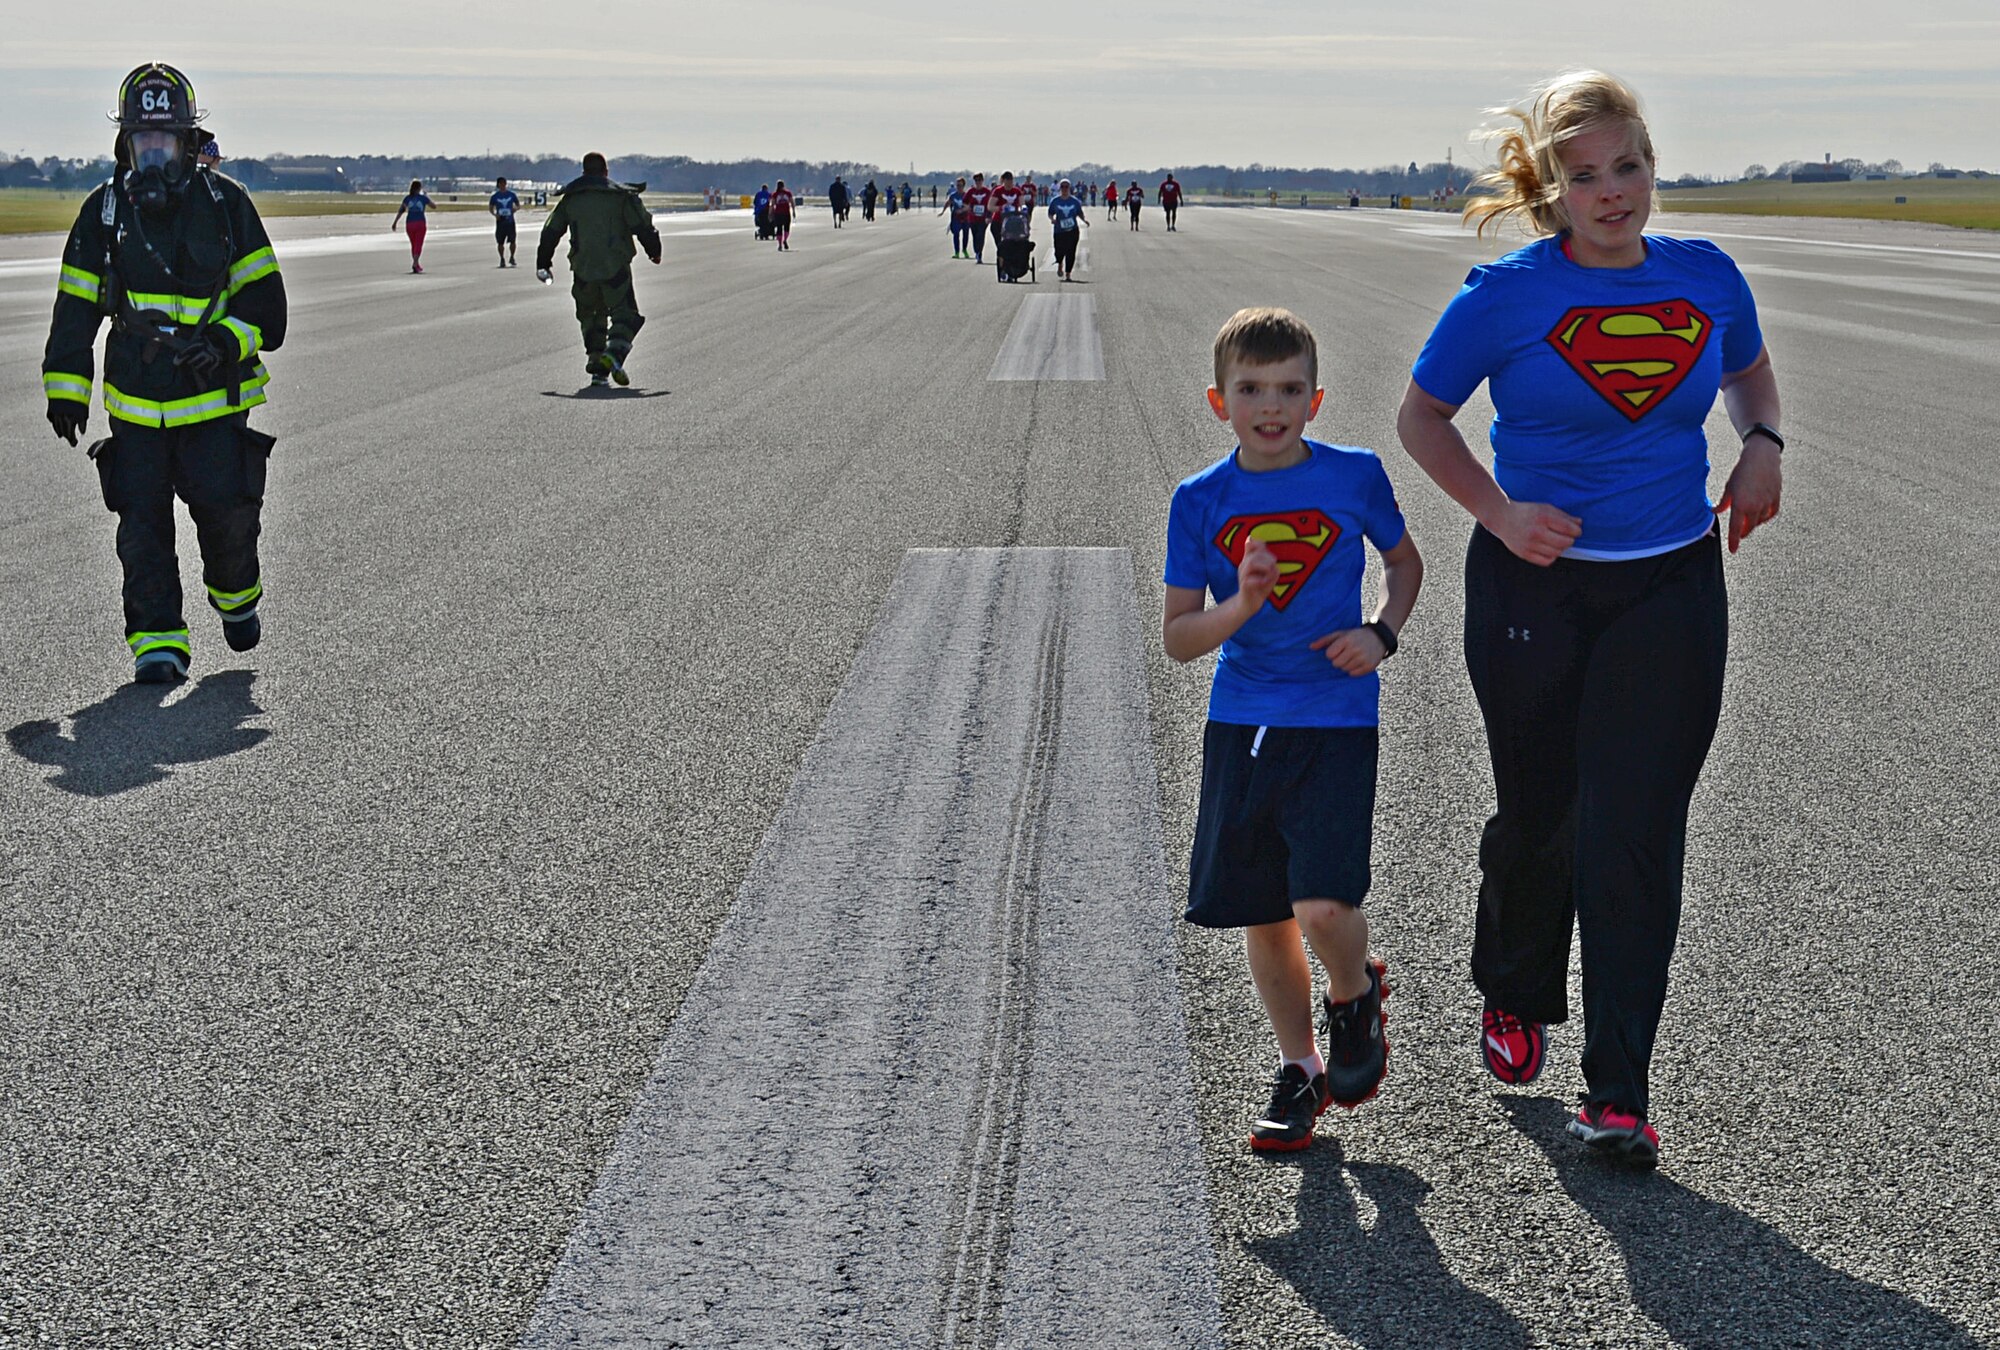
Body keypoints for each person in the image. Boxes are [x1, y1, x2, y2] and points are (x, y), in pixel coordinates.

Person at [1396, 71, 1783, 1167]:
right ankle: (1514, 987)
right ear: (1551, 190)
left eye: (1628, 167)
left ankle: (1618, 1092)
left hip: (1668, 586)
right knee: (1541, 817)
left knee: (1633, 833)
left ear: (1651, 165)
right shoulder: (1505, 295)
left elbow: (1748, 379)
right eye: (1584, 176)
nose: (1612, 192)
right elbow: (1421, 416)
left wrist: (1761, 446)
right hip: (1531, 588)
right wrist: (1496, 511)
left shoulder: (1704, 279)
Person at [1164, 308, 1424, 1152]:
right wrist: (1239, 606)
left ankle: (1352, 995)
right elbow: (1178, 638)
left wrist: (1380, 634)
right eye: (1250, 390)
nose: (1269, 406)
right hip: (1241, 720)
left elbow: (1403, 563)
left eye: (1288, 389)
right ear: (1219, 401)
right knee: (1264, 911)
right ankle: (1300, 1067)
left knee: (1320, 901)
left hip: (1335, 717)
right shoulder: (1200, 502)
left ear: (1316, 400)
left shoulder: (1353, 476)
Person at [41, 63, 287, 683]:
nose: (153, 157)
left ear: (188, 144)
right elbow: (75, 306)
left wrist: (227, 344)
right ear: (125, 145)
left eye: (165, 143)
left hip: (212, 406)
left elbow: (269, 312)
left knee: (226, 515)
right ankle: (158, 646)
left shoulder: (227, 205)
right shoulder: (103, 214)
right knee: (142, 528)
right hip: (136, 406)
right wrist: (66, 386)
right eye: (142, 143)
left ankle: (236, 600)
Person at [534, 152, 662, 387]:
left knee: (591, 316)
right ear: (606, 172)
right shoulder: (621, 197)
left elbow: (551, 232)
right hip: (615, 268)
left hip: (583, 269)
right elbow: (643, 226)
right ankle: (613, 354)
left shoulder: (571, 199)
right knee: (626, 315)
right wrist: (654, 251)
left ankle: (596, 364)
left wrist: (543, 263)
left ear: (584, 172)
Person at [1046, 178, 1088, 281]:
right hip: (1059, 231)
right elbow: (1050, 213)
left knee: (1071, 252)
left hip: (1072, 230)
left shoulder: (1074, 201)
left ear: (1070, 188)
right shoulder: (1055, 201)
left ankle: (1068, 273)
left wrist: (1084, 221)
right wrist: (1052, 219)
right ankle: (1060, 263)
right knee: (1059, 251)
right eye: (1062, 187)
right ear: (1060, 188)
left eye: (1066, 187)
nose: (1064, 189)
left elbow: (1079, 212)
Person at [392, 179, 433, 272]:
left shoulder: (407, 198)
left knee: (413, 244)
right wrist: (427, 196)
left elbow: (401, 210)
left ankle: (416, 264)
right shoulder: (423, 198)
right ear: (419, 188)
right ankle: (415, 263)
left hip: (410, 223)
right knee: (418, 243)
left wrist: (395, 222)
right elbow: (434, 206)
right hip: (420, 223)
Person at [489, 176, 520, 267]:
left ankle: (512, 257)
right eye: (501, 183)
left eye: (504, 183)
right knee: (500, 242)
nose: (503, 185)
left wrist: (515, 209)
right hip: (501, 221)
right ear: (498, 185)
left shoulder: (511, 194)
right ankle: (502, 258)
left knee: (513, 241)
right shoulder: (495, 196)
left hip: (510, 221)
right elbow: (491, 208)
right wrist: (495, 215)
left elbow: (518, 205)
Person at [962, 172, 993, 263]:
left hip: (983, 219)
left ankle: (980, 253)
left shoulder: (987, 192)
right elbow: (964, 202)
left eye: (979, 180)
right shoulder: (971, 191)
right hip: (973, 218)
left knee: (981, 235)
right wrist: (968, 207)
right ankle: (976, 251)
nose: (978, 182)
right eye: (976, 180)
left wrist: (989, 216)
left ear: (982, 181)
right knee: (975, 236)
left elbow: (991, 204)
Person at [943, 176, 971, 258]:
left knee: (966, 234)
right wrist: (943, 211)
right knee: (956, 234)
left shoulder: (966, 195)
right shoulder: (953, 195)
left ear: (963, 186)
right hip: (956, 218)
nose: (959, 187)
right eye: (957, 185)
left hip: (965, 217)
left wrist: (963, 210)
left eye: (960, 185)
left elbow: (970, 206)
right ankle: (957, 252)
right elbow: (948, 202)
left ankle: (964, 249)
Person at [769, 179, 795, 249]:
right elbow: (792, 202)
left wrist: (770, 213)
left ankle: (780, 244)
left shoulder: (775, 194)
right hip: (786, 213)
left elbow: (772, 205)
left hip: (778, 214)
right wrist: (793, 211)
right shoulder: (788, 193)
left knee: (779, 229)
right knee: (787, 228)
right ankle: (785, 240)